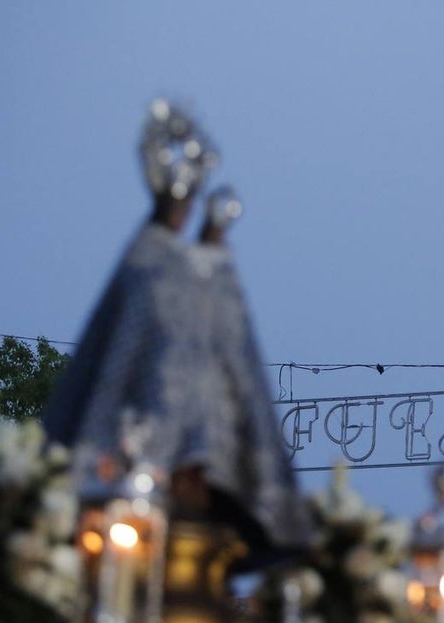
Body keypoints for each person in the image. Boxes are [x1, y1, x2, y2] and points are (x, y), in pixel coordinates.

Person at [43, 100, 313, 558]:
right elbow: (117, 353)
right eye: (179, 203)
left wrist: (213, 247)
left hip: (209, 453)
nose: (183, 212)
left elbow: (235, 354)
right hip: (140, 441)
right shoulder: (146, 265)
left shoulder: (213, 275)